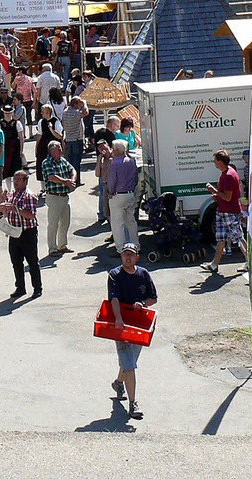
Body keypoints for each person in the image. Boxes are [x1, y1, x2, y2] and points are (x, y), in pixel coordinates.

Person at [108, 242, 158, 420]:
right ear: (121, 256)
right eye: (124, 254)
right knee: (129, 364)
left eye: (131, 254)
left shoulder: (143, 273)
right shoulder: (114, 275)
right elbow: (113, 299)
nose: (127, 257)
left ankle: (118, 383)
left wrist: (143, 304)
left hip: (139, 325)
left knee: (130, 362)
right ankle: (133, 403)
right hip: (121, 325)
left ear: (137, 257)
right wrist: (118, 318)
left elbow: (153, 298)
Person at [0, 170, 42, 299]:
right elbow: (7, 212)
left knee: (32, 261)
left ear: (25, 181)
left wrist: (16, 209)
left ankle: (37, 288)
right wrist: (4, 202)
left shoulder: (30, 196)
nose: (15, 182)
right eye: (14, 179)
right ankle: (20, 287)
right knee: (16, 262)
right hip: (13, 232)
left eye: (18, 179)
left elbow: (31, 215)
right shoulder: (12, 194)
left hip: (27, 233)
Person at [200, 149, 247, 273]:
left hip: (229, 212)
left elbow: (228, 197)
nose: (214, 162)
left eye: (215, 160)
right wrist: (216, 196)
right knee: (220, 239)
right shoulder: (226, 173)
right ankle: (214, 264)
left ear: (220, 161)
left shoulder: (228, 176)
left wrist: (213, 191)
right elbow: (225, 197)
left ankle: (249, 262)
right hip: (223, 211)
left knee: (239, 237)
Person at [42, 140, 76, 257]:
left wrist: (72, 179)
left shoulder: (63, 161)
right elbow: (51, 177)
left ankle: (62, 245)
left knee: (65, 222)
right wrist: (66, 182)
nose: (61, 150)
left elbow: (72, 169)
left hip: (64, 196)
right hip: (54, 196)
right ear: (52, 151)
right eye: (59, 148)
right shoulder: (47, 162)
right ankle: (52, 248)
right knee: (53, 224)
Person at [107, 139, 139, 256]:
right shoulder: (131, 161)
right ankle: (136, 246)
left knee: (117, 223)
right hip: (130, 193)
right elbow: (135, 178)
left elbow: (112, 181)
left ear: (116, 150)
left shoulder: (114, 164)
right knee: (131, 221)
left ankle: (121, 249)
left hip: (118, 195)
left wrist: (110, 192)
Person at [35, 105, 63, 195]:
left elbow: (59, 136)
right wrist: (36, 147)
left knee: (53, 166)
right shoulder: (41, 122)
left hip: (53, 146)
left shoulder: (56, 122)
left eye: (43, 112)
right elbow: (39, 135)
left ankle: (54, 186)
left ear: (48, 112)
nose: (41, 113)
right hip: (43, 146)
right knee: (40, 165)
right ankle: (43, 188)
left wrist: (51, 129)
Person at [61, 96, 89, 186]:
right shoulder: (76, 113)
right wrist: (85, 103)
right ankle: (76, 180)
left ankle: (69, 178)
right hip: (77, 139)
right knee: (76, 161)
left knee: (70, 160)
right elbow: (86, 112)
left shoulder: (65, 112)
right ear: (75, 104)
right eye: (79, 104)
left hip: (68, 138)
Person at [0, 105, 24, 192]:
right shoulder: (0, 124)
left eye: (9, 113)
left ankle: (16, 189)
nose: (7, 114)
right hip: (5, 148)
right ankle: (9, 191)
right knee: (7, 171)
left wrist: (21, 150)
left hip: (15, 148)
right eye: (6, 113)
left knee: (16, 170)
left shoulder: (17, 123)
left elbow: (21, 137)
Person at [11, 66, 34, 134]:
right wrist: (34, 100)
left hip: (19, 100)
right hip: (28, 99)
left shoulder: (17, 78)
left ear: (20, 71)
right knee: (29, 116)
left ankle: (21, 132)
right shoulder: (30, 79)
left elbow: (12, 86)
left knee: (19, 116)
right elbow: (34, 90)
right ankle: (30, 132)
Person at [95, 139, 113, 224]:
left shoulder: (114, 155)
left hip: (115, 183)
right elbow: (98, 174)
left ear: (108, 145)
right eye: (99, 147)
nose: (102, 149)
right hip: (105, 183)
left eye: (103, 146)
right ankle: (106, 216)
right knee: (105, 203)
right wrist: (99, 161)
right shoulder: (101, 158)